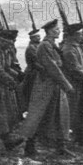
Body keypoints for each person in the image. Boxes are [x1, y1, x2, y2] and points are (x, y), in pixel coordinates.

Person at [12, 19, 74, 156]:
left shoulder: (51, 45)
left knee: (60, 114)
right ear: (50, 31)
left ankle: (61, 146)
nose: (59, 31)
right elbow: (53, 68)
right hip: (45, 85)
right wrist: (66, 85)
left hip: (54, 85)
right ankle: (29, 145)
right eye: (56, 29)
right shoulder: (44, 46)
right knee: (38, 115)